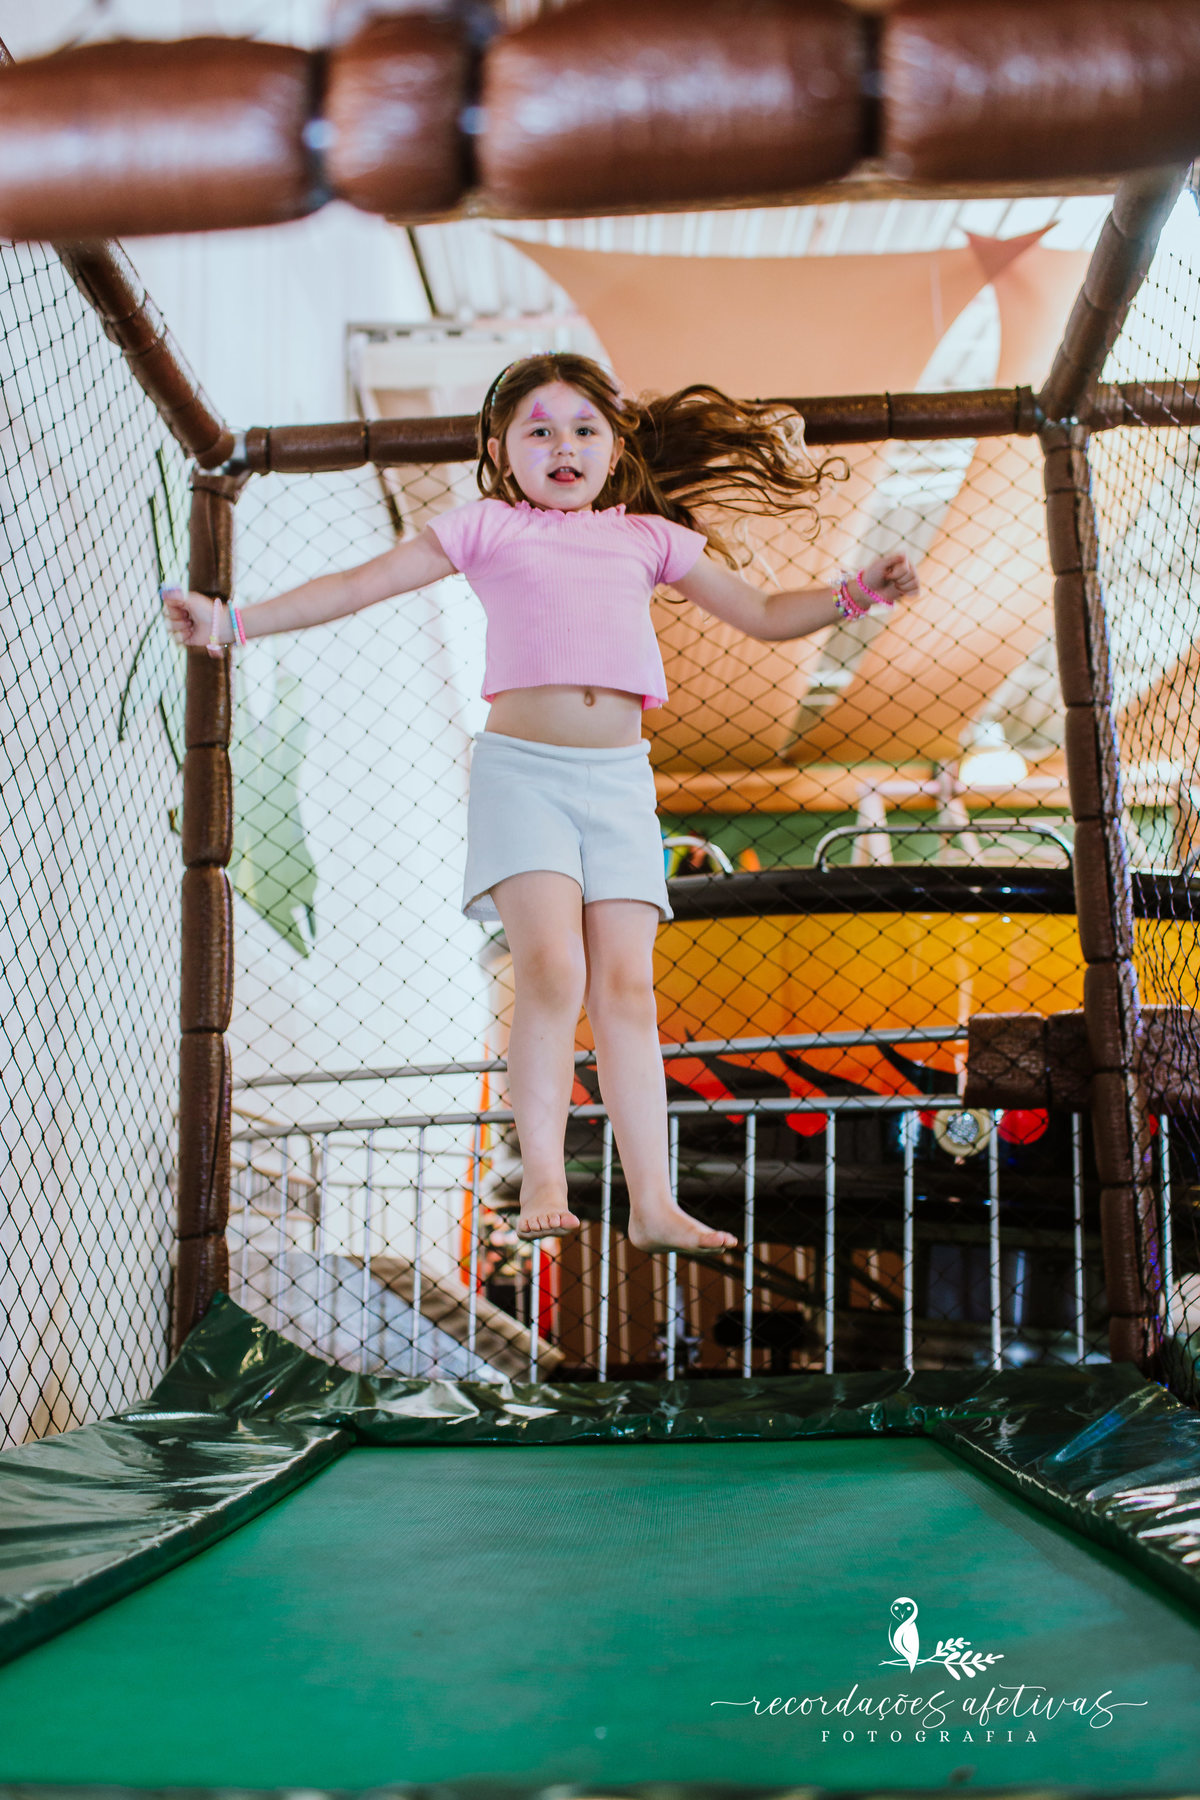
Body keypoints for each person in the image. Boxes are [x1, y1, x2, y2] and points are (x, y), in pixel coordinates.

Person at [165, 352, 918, 1254]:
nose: (564, 446)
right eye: (540, 430)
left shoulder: (650, 538)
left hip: (620, 782)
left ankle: (655, 1205)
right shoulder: (487, 527)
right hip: (523, 773)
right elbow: (358, 585)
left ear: (615, 445)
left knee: (629, 988)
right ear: (501, 450)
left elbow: (759, 612)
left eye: (584, 429)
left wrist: (858, 594)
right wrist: (231, 623)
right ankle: (545, 1179)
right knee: (555, 972)